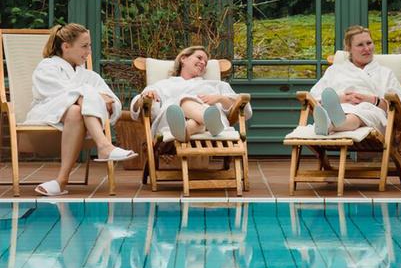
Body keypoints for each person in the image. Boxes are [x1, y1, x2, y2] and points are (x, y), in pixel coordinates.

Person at [24, 23, 137, 197]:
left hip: (76, 123)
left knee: (76, 111)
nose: (89, 51)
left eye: (90, 46)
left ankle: (61, 181)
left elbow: (113, 102)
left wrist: (93, 98)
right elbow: (61, 95)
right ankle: (104, 145)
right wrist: (93, 97)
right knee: (79, 99)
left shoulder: (89, 75)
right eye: (84, 46)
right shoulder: (47, 67)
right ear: (66, 46)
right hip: (44, 117)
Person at [129, 45, 252, 141]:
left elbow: (244, 109)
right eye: (199, 58)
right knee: (184, 100)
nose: (203, 63)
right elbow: (139, 106)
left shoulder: (216, 85)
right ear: (183, 59)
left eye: (206, 62)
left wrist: (219, 98)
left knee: (187, 102)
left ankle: (192, 127)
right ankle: (207, 123)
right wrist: (146, 96)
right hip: (175, 124)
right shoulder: (163, 84)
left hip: (183, 130)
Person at [310, 25, 401, 136]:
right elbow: (313, 97)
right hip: (342, 108)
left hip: (371, 110)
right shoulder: (335, 70)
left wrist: (372, 100)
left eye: (369, 43)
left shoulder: (385, 73)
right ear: (349, 49)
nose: (367, 49)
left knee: (361, 113)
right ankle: (333, 120)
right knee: (342, 111)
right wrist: (342, 99)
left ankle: (329, 125)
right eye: (360, 45)